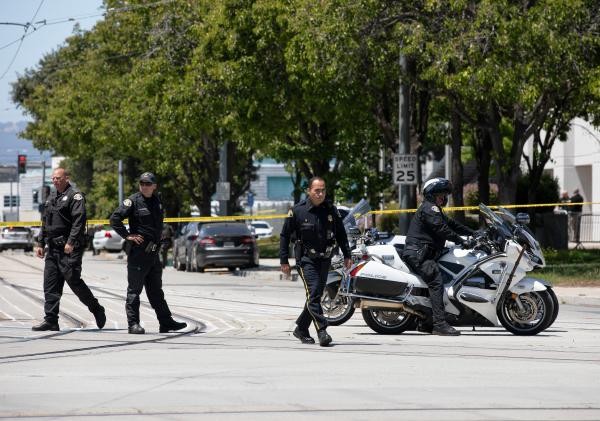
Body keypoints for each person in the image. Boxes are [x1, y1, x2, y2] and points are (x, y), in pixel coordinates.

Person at [110, 172, 187, 334]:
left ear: (154, 186)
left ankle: (166, 323)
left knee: (156, 291)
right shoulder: (132, 201)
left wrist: (163, 237)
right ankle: (133, 324)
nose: (144, 186)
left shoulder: (157, 201)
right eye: (142, 183)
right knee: (134, 290)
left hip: (153, 253)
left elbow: (158, 224)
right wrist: (127, 236)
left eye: (148, 184)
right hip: (138, 253)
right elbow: (114, 219)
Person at [280, 177, 352, 347]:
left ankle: (301, 329)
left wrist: (347, 255)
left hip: (325, 259)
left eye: (323, 190)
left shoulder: (331, 210)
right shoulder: (297, 211)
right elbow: (284, 236)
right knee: (313, 294)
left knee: (315, 296)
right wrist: (284, 261)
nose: (320, 194)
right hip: (306, 260)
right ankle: (322, 331)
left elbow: (341, 234)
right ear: (309, 191)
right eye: (317, 190)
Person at [32, 168, 106, 331]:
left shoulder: (75, 196)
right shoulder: (51, 197)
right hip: (53, 248)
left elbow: (79, 221)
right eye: (53, 178)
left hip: (69, 248)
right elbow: (45, 222)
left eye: (58, 178)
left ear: (67, 178)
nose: (55, 180)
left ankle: (96, 308)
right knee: (50, 284)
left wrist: (71, 242)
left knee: (74, 281)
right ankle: (51, 320)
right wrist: (40, 243)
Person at [401, 177, 475, 336]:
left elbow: (452, 225)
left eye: (444, 195)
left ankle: (425, 322)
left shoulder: (435, 210)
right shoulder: (429, 209)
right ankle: (439, 324)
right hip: (419, 255)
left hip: (422, 253)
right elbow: (442, 229)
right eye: (440, 195)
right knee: (436, 282)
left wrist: (474, 233)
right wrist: (462, 241)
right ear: (431, 195)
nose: (443, 198)